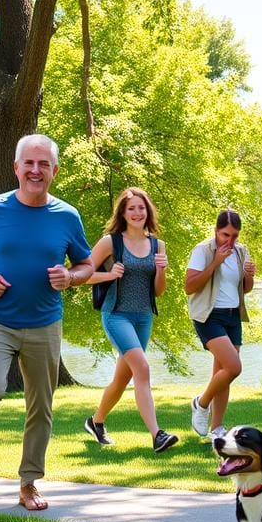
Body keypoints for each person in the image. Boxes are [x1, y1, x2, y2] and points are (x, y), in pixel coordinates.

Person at [0, 134, 93, 511]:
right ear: (16, 168)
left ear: (54, 171)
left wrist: (71, 277)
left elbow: (86, 263)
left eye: (43, 164)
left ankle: (29, 483)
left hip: (44, 322)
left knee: (40, 407)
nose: (35, 170)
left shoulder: (67, 216)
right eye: (28, 163)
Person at [82, 188, 177, 452]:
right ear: (123, 213)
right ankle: (157, 435)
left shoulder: (157, 245)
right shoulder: (110, 243)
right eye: (131, 208)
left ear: (148, 211)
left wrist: (161, 270)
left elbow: (158, 291)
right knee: (142, 369)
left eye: (141, 208)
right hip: (116, 315)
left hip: (144, 317)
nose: (137, 213)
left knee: (122, 379)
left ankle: (96, 421)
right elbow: (82, 275)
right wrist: (109, 275)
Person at [186, 210, 255, 440]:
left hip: (233, 316)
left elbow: (245, 289)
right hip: (209, 316)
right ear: (216, 230)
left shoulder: (241, 251)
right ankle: (201, 403)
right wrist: (216, 263)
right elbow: (189, 287)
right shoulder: (203, 250)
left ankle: (216, 429)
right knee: (233, 367)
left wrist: (249, 276)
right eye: (226, 234)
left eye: (235, 235)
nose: (230, 241)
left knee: (223, 373)